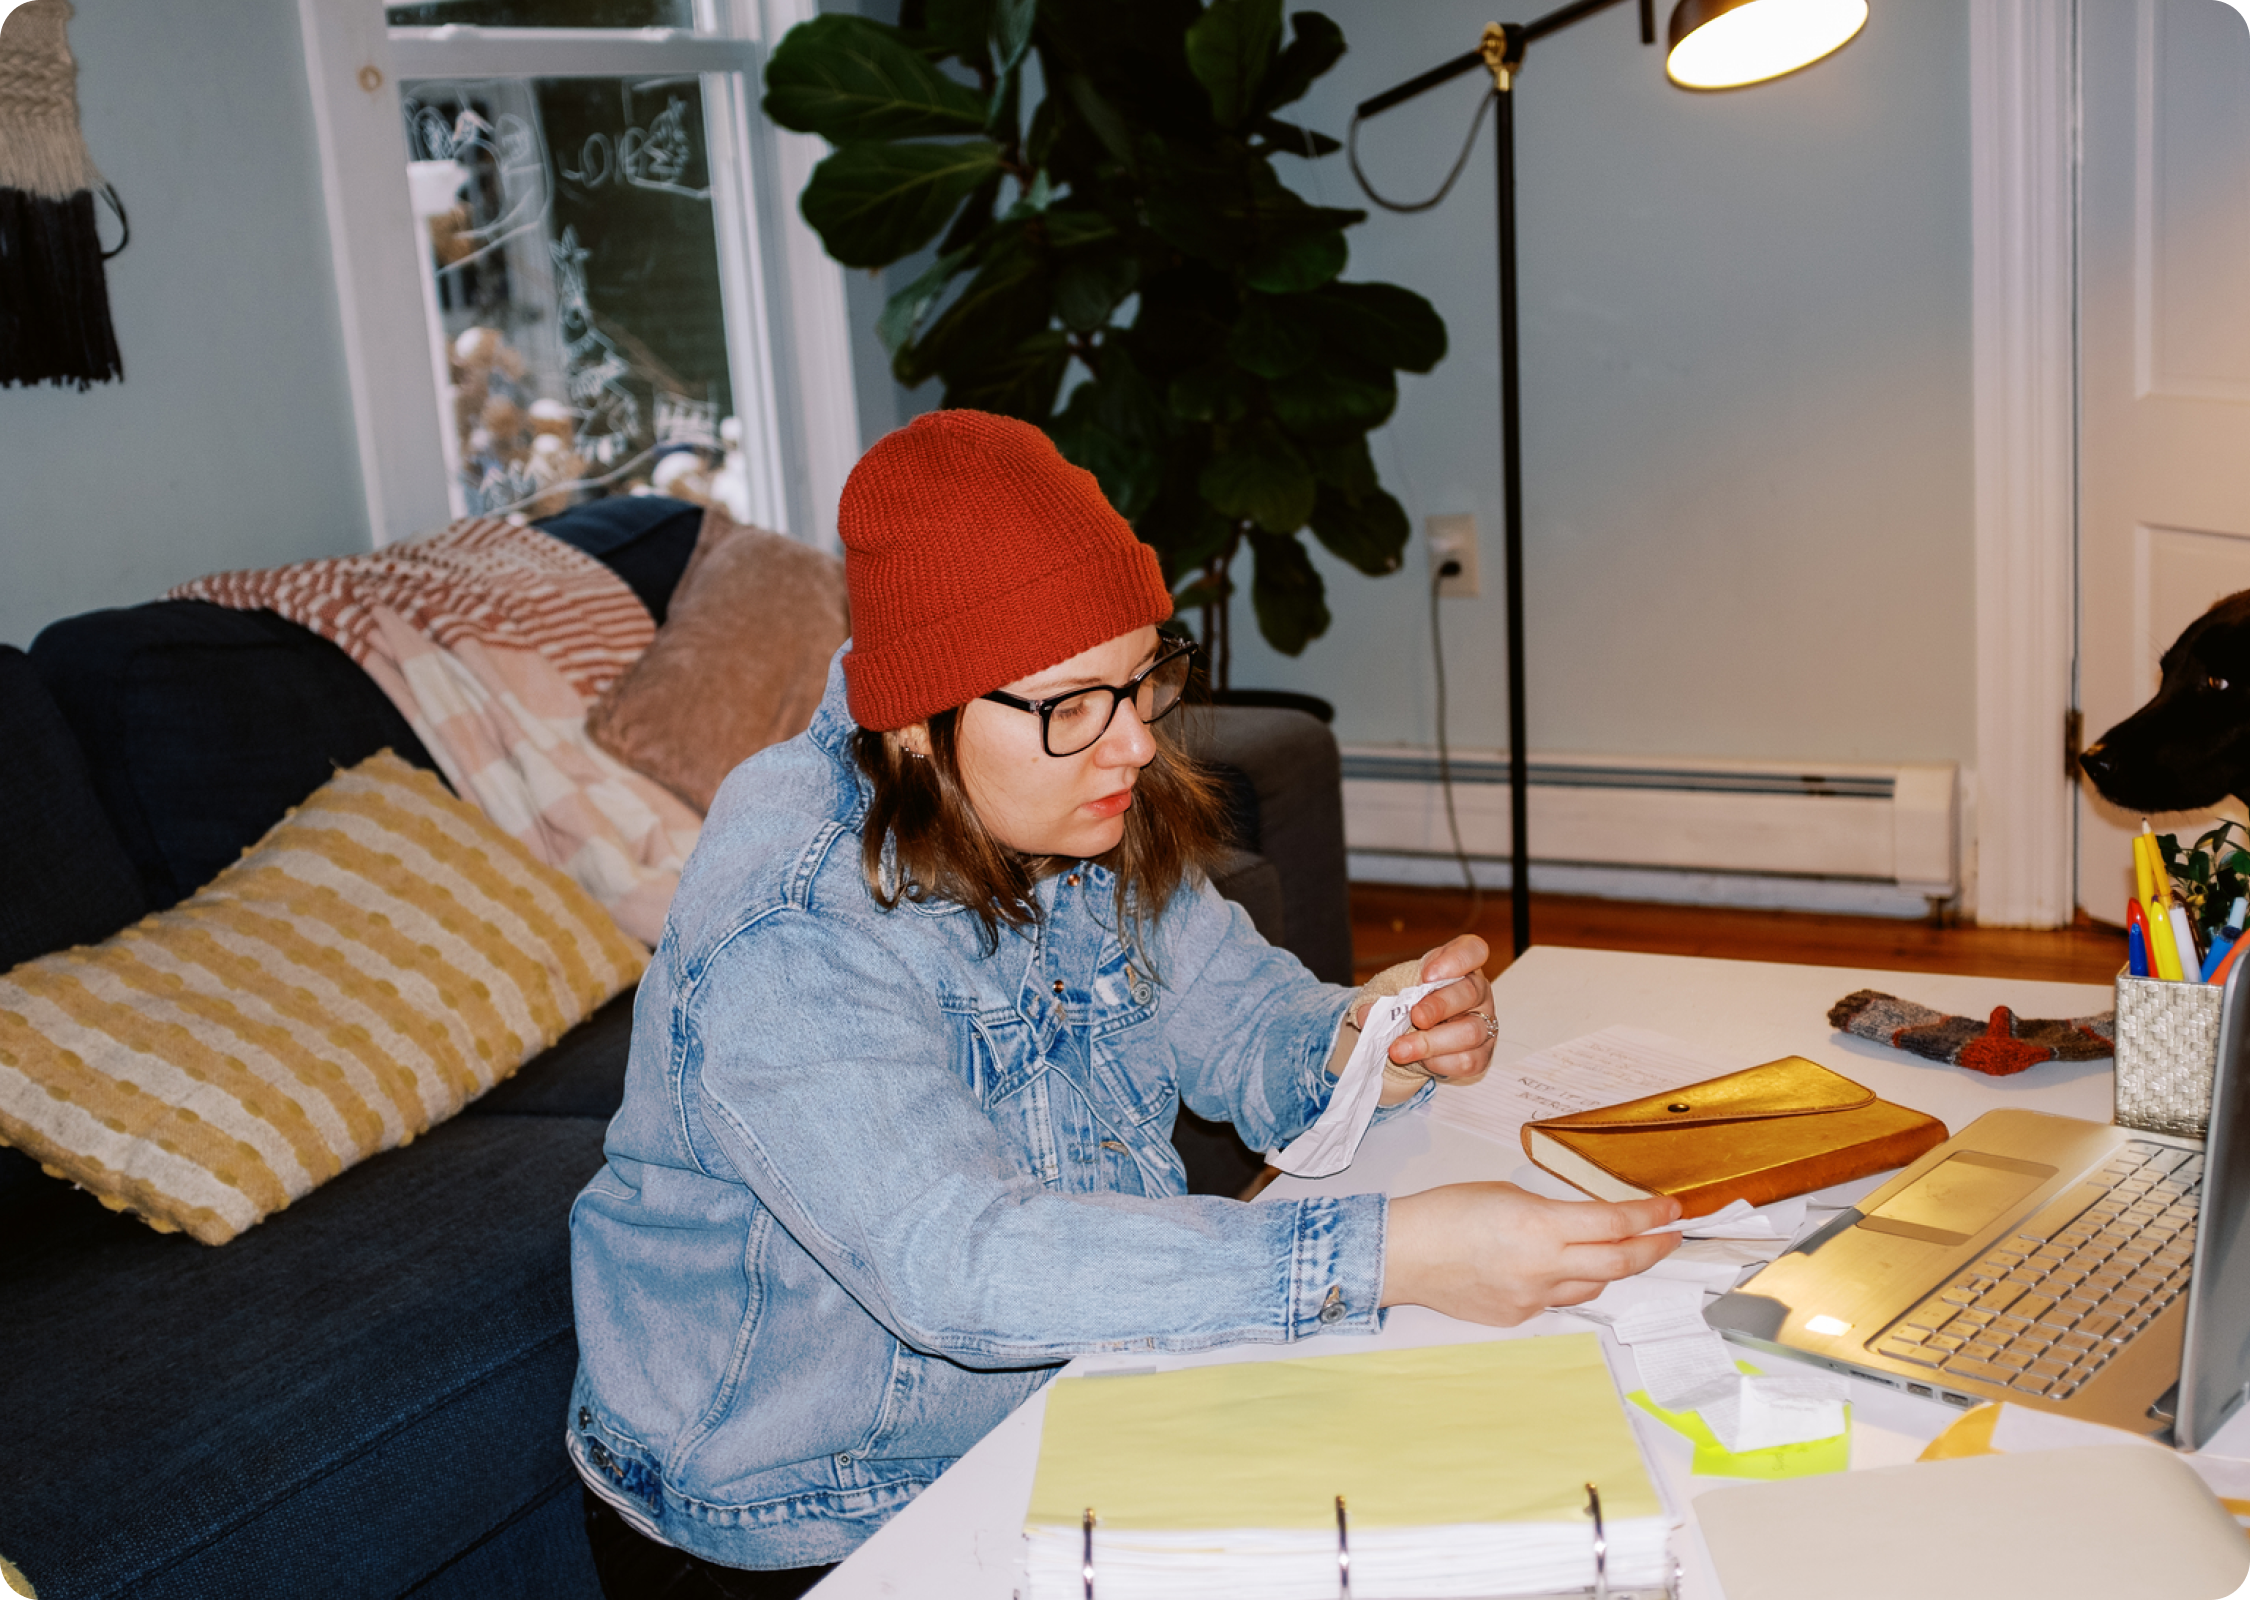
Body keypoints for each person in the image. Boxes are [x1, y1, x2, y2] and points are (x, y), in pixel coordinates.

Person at [566, 411, 1681, 1598]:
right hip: (801, 1513)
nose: (1136, 742)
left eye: (1146, 675)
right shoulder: (792, 924)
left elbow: (1243, 1021)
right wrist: (1391, 1252)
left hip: (1067, 1399)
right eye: (1078, 704)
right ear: (914, 717)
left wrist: (1367, 1039)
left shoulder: (1061, 794)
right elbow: (965, 1266)